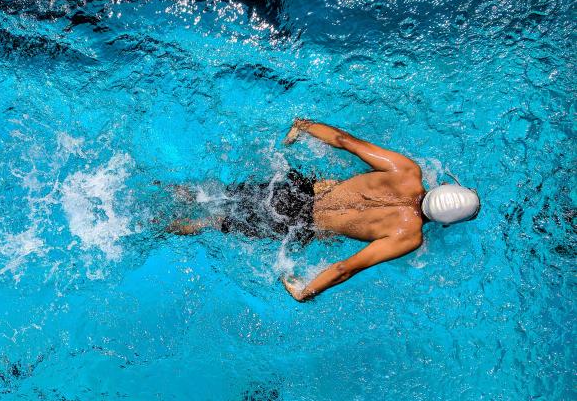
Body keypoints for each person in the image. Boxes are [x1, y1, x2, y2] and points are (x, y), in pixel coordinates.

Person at [168, 119, 480, 302]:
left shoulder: (407, 171)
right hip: (299, 225)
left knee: (211, 195)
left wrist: (304, 126)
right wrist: (306, 291)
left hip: (296, 189)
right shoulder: (409, 236)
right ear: (446, 223)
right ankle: (159, 225)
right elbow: (346, 268)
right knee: (214, 222)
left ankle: (167, 189)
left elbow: (346, 141)